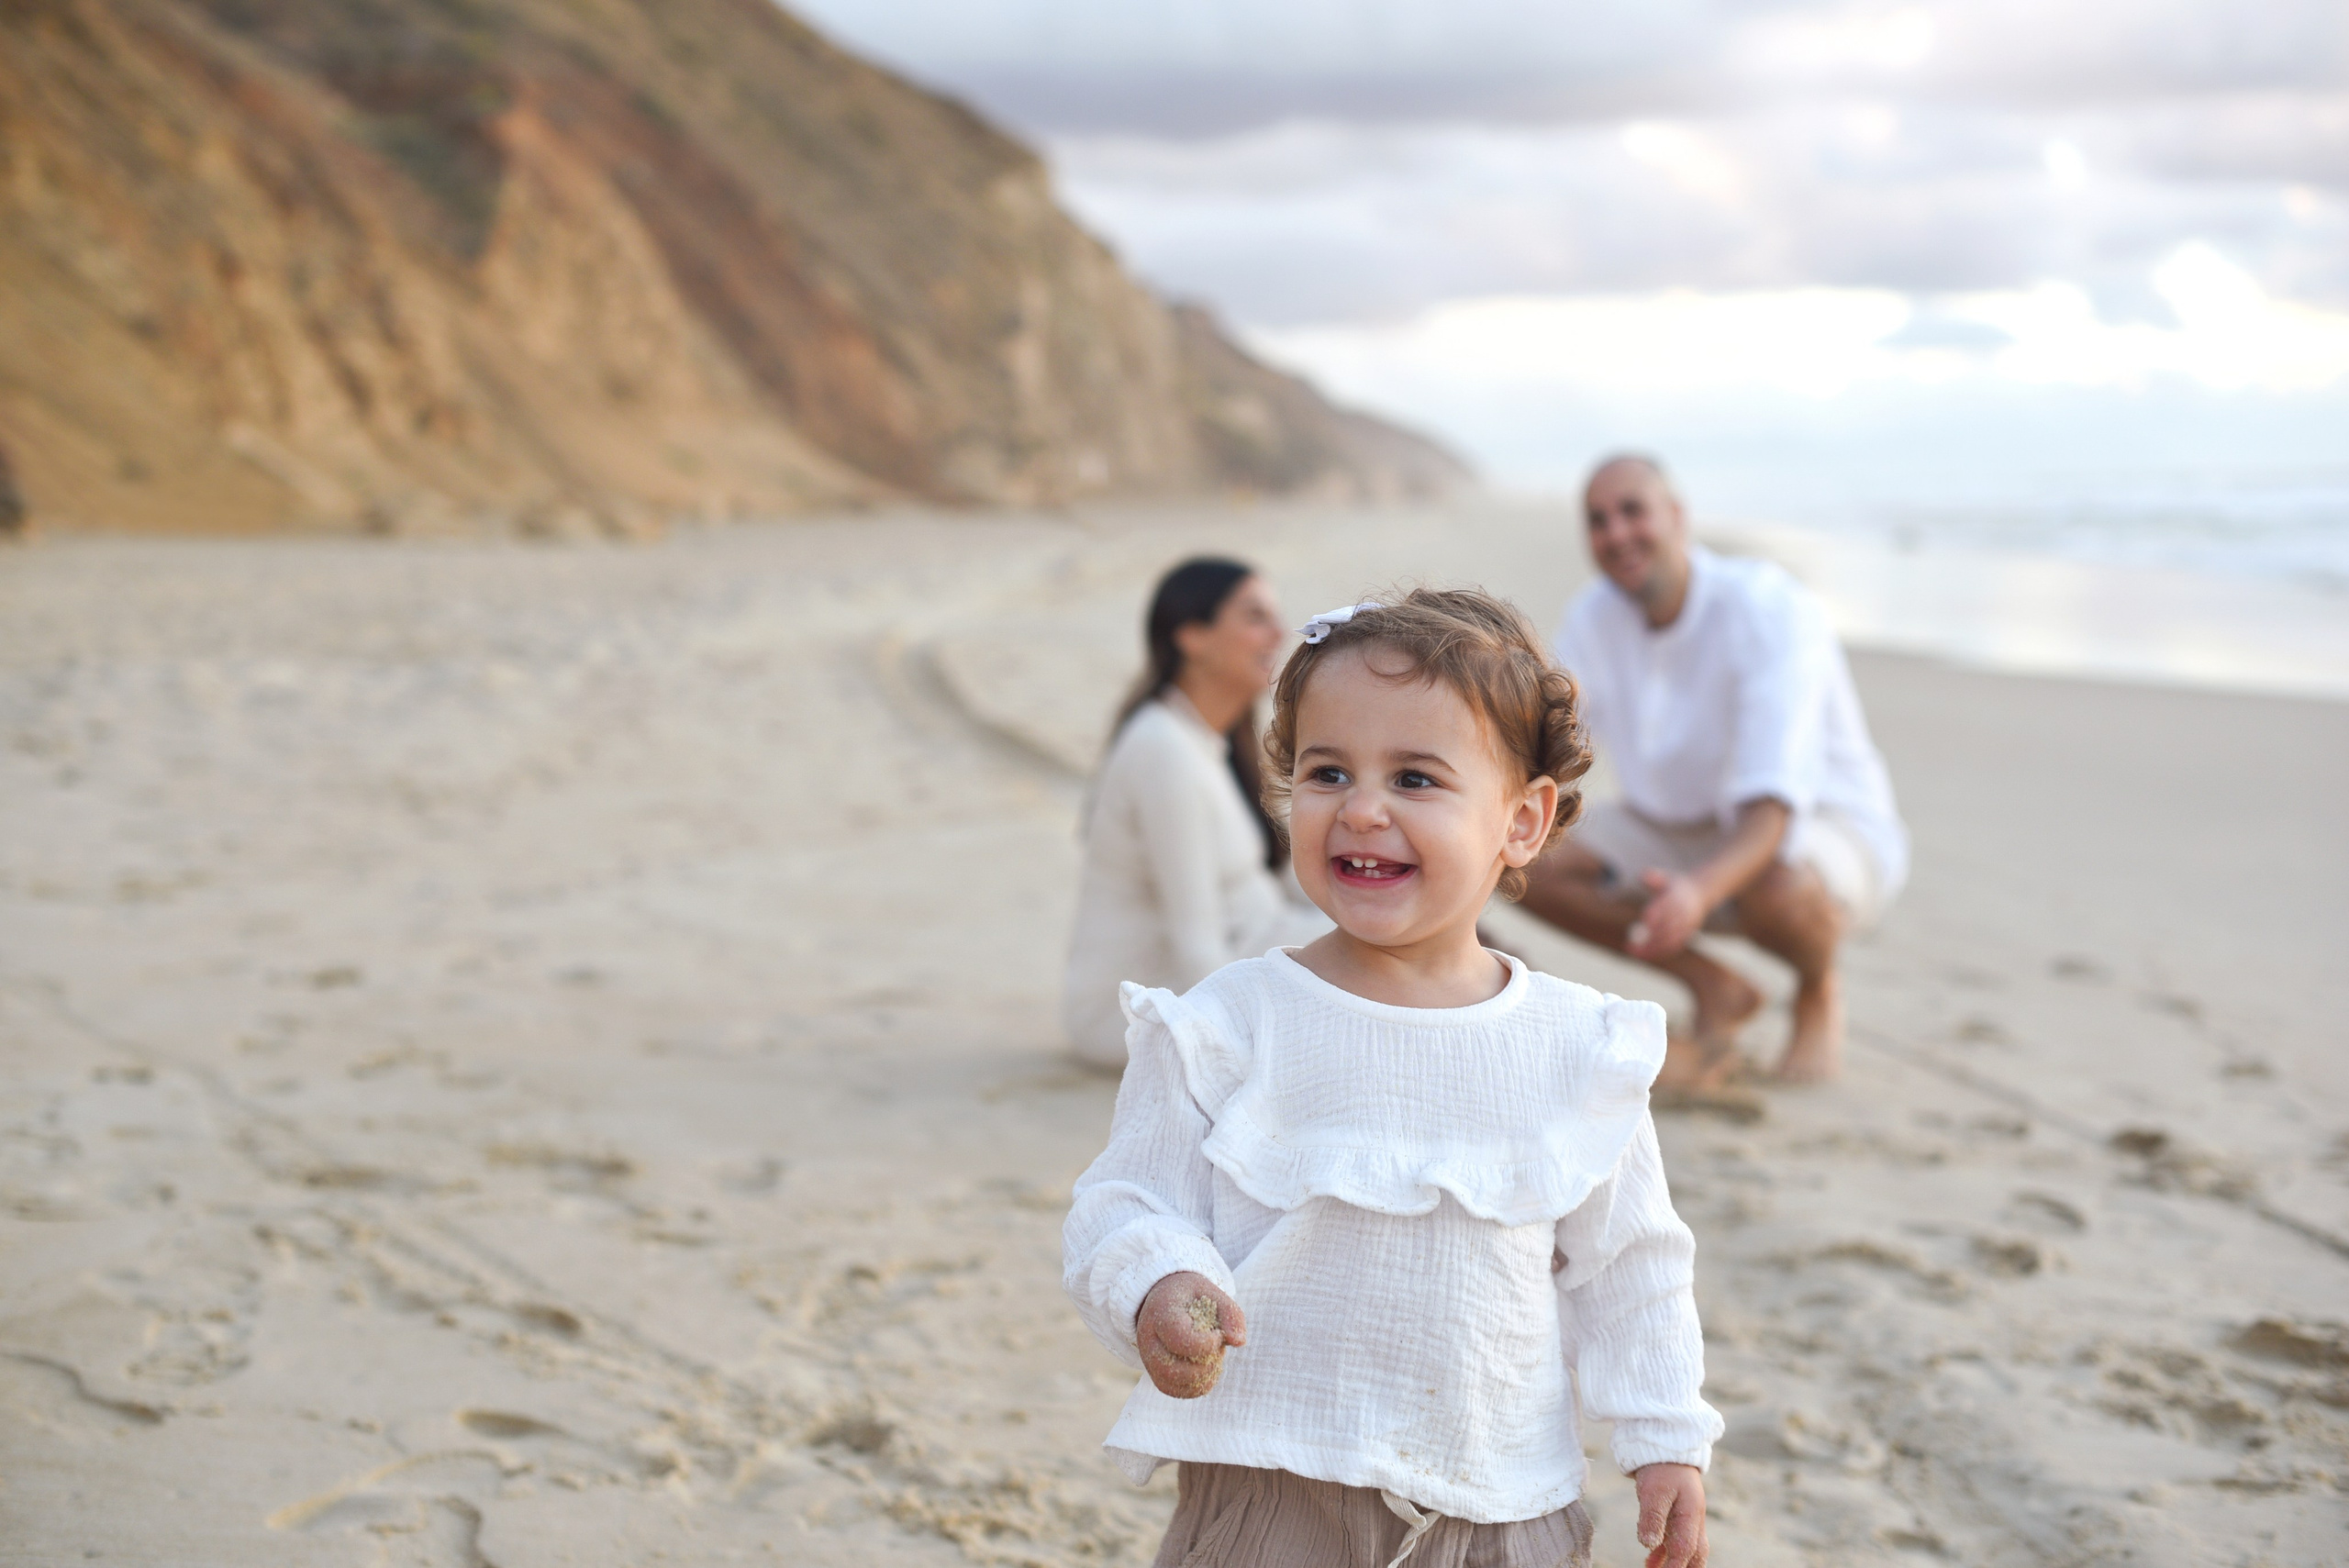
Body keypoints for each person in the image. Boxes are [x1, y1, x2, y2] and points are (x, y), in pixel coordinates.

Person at [1063, 590, 1719, 1568]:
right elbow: (1123, 1198)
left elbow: (1631, 1264)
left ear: (1523, 820)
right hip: (1269, 1482)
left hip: (1497, 1502)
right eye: (1326, 771)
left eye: (1415, 777)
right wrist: (1160, 1277)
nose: (1360, 807)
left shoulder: (1575, 1044)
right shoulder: (1231, 1021)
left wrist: (1665, 1438)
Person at [1520, 454, 1908, 1086]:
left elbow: (1773, 809)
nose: (1616, 533)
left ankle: (1817, 989)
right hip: (1673, 825)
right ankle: (1716, 985)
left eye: (1632, 511)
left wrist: (1697, 891)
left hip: (1821, 829)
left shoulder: (1765, 609)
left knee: (1772, 882)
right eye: (1597, 520)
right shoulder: (1595, 614)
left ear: (1677, 516)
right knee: (1518, 853)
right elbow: (1551, 725)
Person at [1063, 559, 1330, 1069]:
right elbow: (1196, 945)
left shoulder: (1214, 741)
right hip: (1134, 1013)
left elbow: (1284, 884)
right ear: (1192, 637)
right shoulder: (1161, 749)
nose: (1278, 633)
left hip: (1247, 952)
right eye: (1255, 617)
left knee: (1412, 936)